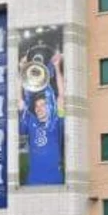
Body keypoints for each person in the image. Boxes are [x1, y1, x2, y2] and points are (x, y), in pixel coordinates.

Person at [21, 51, 66, 184]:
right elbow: (22, 99)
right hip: (33, 181)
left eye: (43, 105)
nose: (39, 108)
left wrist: (57, 67)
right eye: (37, 106)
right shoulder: (31, 122)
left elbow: (62, 97)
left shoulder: (57, 121)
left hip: (55, 180)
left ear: (49, 107)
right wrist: (22, 69)